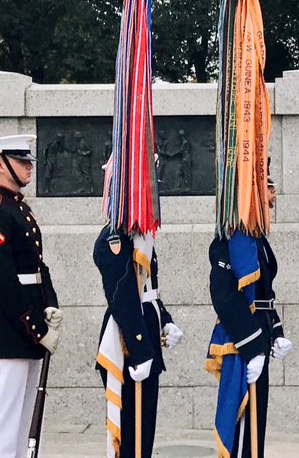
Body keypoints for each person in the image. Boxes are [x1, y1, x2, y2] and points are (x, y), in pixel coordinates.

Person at [0, 134, 60, 458]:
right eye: (21, 161)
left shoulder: (17, 209)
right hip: (7, 331)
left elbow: (37, 266)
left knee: (21, 429)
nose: (28, 167)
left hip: (26, 327)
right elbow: (3, 283)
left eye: (28, 161)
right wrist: (36, 328)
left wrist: (50, 305)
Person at [93, 161, 183, 458]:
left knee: (144, 434)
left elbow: (147, 291)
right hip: (127, 344)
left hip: (146, 337)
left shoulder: (141, 235)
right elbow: (123, 299)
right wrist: (141, 350)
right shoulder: (114, 239)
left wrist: (165, 321)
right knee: (130, 435)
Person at [206, 174, 293, 457]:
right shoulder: (233, 238)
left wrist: (276, 331)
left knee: (257, 422)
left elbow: (264, 292)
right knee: (243, 424)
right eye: (269, 188)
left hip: (260, 334)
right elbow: (224, 296)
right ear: (254, 192)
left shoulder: (257, 238)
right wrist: (253, 347)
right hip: (243, 341)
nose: (274, 194)